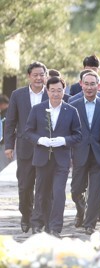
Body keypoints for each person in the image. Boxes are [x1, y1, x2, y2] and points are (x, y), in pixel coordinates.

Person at [24, 76, 82, 237]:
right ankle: (37, 223)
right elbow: (28, 131)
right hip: (42, 158)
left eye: (59, 90)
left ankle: (55, 227)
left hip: (61, 160)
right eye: (53, 90)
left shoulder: (71, 111)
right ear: (47, 91)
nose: (56, 94)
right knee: (41, 192)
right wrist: (39, 140)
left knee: (58, 193)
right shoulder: (38, 109)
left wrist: (64, 140)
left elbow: (78, 135)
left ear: (64, 91)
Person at [4, 61, 48, 233]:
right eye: (35, 75)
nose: (38, 78)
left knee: (43, 186)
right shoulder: (18, 95)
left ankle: (38, 219)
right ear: (29, 76)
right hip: (24, 148)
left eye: (41, 74)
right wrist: (9, 145)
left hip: (46, 148)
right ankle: (26, 214)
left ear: (45, 76)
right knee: (25, 186)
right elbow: (11, 122)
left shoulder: (51, 94)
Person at [70, 71, 100, 234]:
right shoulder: (72, 103)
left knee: (95, 191)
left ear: (99, 86)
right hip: (79, 152)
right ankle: (81, 210)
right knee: (76, 190)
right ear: (81, 84)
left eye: (92, 84)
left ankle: (90, 223)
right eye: (86, 84)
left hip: (99, 154)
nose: (89, 87)